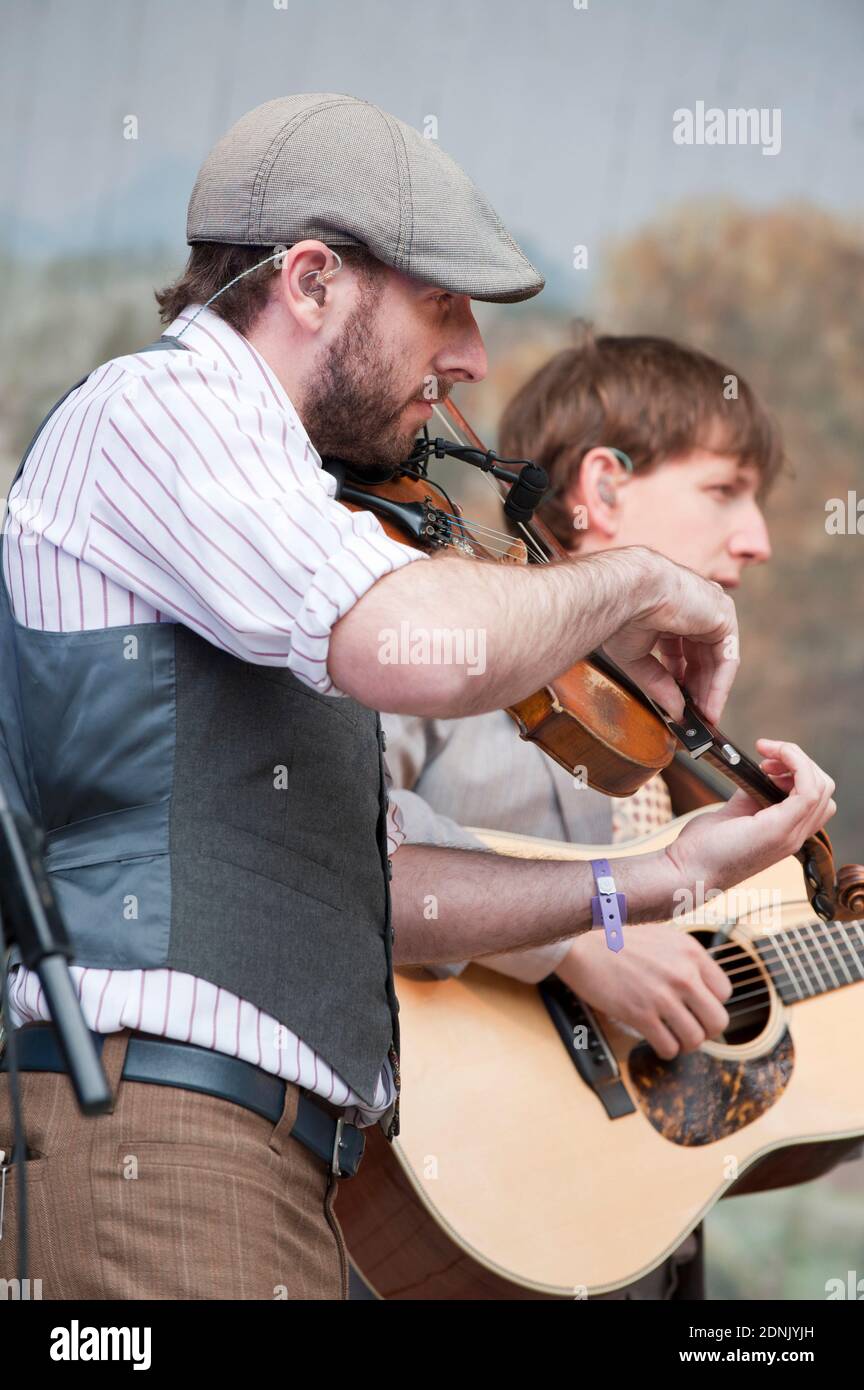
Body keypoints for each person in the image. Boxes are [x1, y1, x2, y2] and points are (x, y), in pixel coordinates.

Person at [0, 94, 833, 1301]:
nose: (474, 362)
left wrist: (665, 878)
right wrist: (637, 579)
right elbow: (419, 643)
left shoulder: (294, 514)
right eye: (444, 304)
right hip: (160, 1137)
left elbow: (392, 886)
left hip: (278, 1158)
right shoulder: (161, 409)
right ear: (312, 280)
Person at [380, 329, 780, 1299]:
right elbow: (333, 830)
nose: (758, 538)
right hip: (446, 1208)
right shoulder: (449, 637)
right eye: (725, 491)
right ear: (601, 490)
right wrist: (576, 941)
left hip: (629, 1244)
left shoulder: (680, 734)